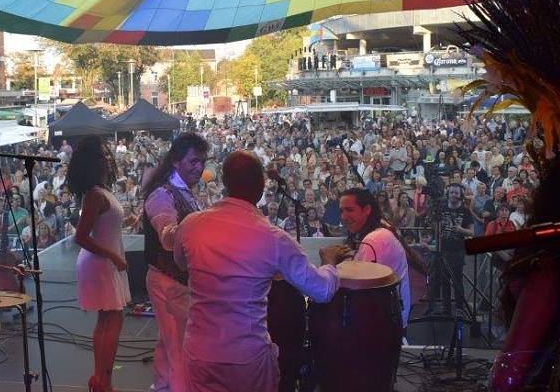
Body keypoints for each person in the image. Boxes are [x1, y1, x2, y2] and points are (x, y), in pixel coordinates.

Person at [175, 151, 341, 392]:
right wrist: (330, 262)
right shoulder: (274, 238)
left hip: (199, 352)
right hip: (247, 358)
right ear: (261, 187)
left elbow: (182, 264)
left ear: (225, 182)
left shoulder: (190, 224)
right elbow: (322, 290)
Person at [141, 132, 210, 392]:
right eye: (193, 161)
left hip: (174, 281)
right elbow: (168, 237)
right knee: (180, 345)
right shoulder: (162, 194)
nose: (199, 167)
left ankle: (162, 384)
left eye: (202, 162)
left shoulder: (182, 191)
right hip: (168, 281)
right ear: (175, 161)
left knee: (168, 339)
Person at [69, 135, 131, 392]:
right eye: (102, 156)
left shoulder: (100, 192)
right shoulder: (94, 195)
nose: (107, 159)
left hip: (104, 260)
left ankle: (100, 379)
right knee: (112, 319)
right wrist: (113, 256)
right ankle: (103, 380)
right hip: (101, 262)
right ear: (92, 163)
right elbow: (81, 237)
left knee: (107, 319)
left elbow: (105, 227)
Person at [323, 188, 412, 327]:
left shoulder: (373, 240)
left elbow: (359, 293)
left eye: (350, 210)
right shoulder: (381, 230)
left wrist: (329, 261)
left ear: (367, 210)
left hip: (381, 328)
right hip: (393, 320)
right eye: (342, 211)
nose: (344, 217)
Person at [426, 183, 474, 315]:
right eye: (451, 192)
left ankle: (459, 308)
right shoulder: (442, 208)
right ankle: (446, 308)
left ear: (460, 195)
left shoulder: (465, 211)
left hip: (458, 250)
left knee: (457, 279)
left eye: (456, 193)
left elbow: (472, 232)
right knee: (445, 280)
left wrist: (460, 229)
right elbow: (436, 228)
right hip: (443, 248)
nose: (453, 195)